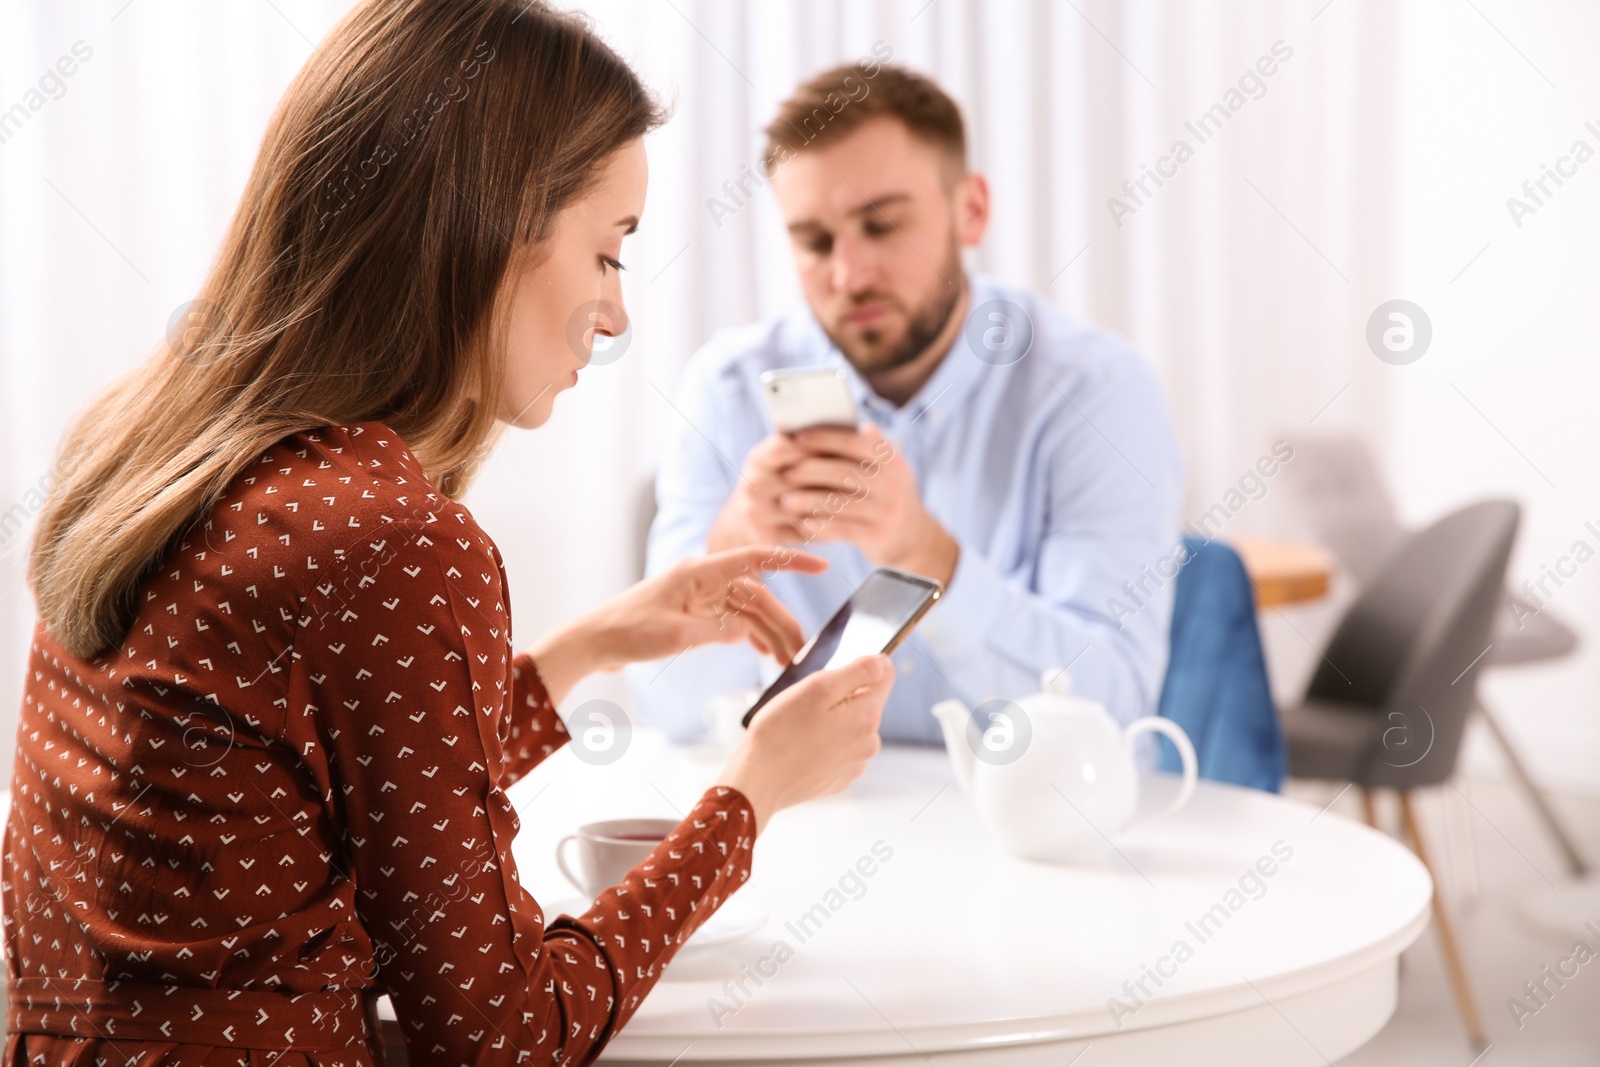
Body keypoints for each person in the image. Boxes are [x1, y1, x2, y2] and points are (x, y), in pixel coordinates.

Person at [4, 3, 894, 1064]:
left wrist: (594, 643)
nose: (616, 317)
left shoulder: (157, 437)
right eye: (610, 253)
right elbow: (501, 1034)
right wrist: (752, 795)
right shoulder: (391, 541)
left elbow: (319, 792)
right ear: (490, 225)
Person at [630, 65, 1184, 745]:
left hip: (1021, 832)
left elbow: (1114, 713)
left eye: (883, 225)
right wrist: (730, 553)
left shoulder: (1096, 391)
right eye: (814, 240)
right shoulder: (727, 387)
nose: (849, 274)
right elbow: (667, 711)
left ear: (971, 210)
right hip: (814, 824)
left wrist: (930, 560)